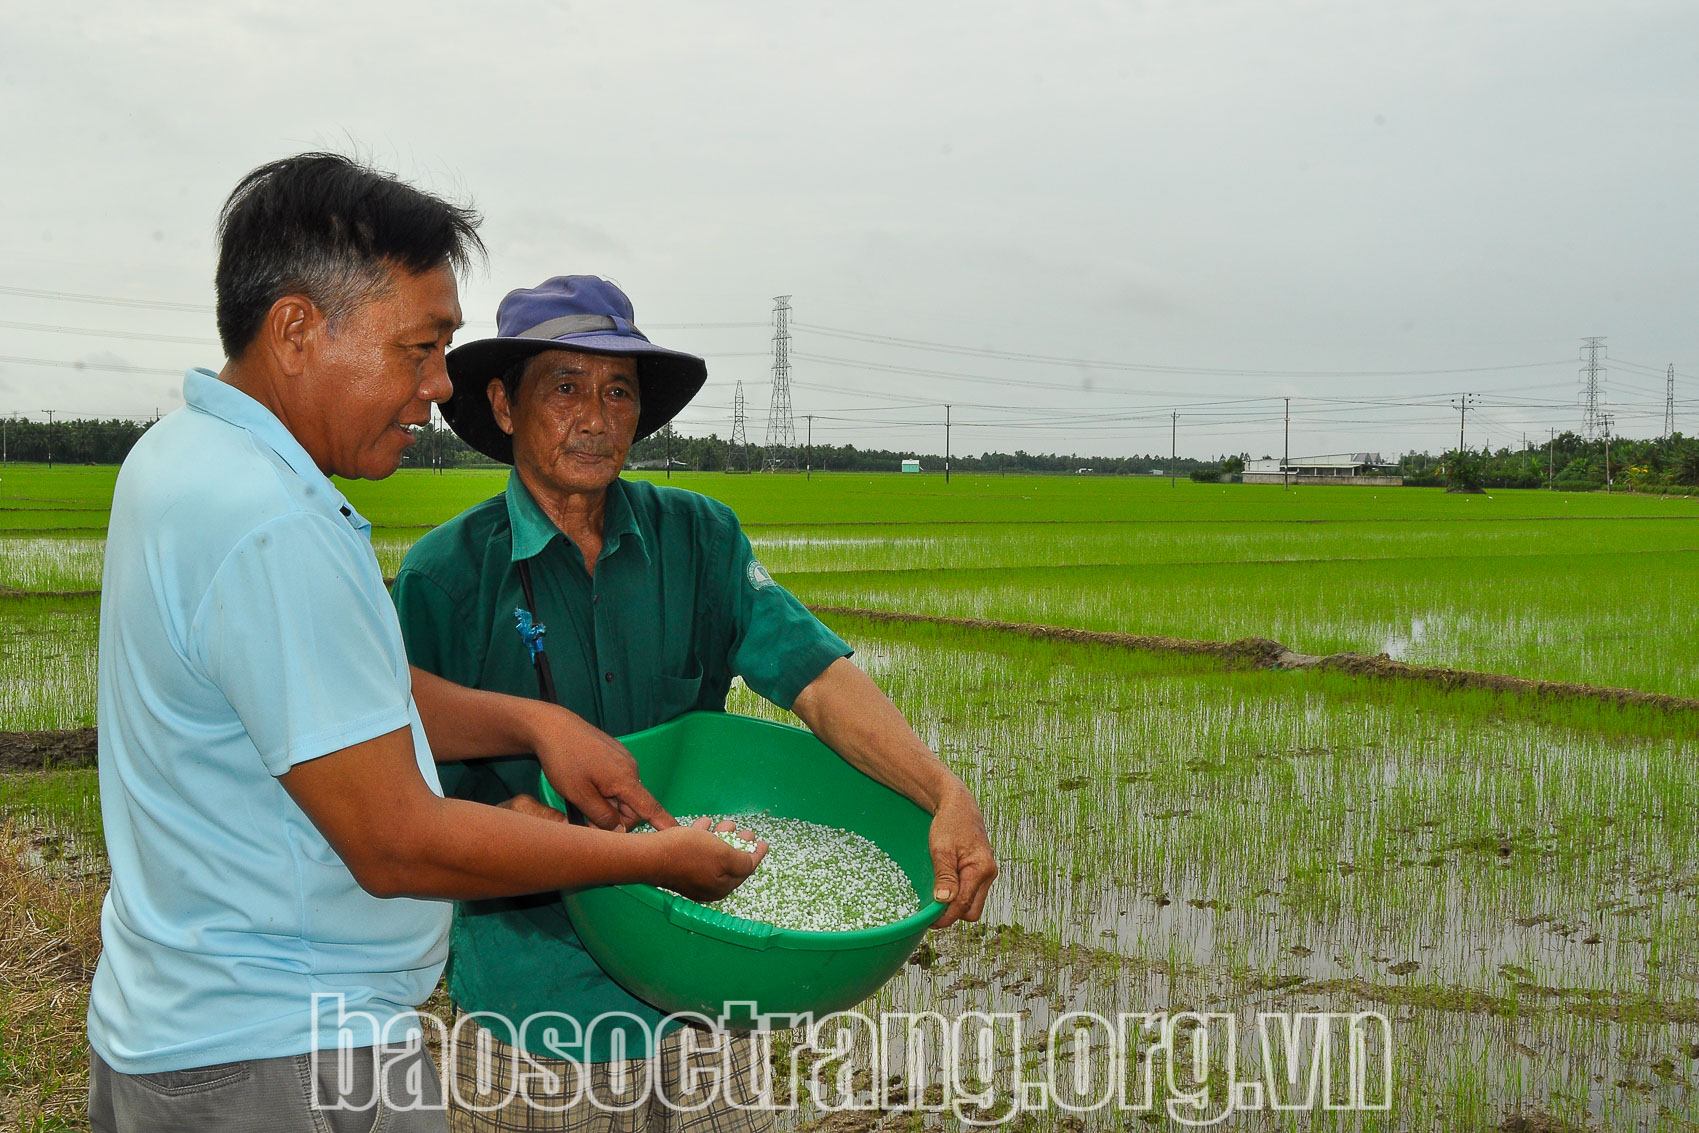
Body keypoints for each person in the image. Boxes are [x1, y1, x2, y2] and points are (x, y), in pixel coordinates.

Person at [88, 157, 767, 1133]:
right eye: (419, 348)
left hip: (200, 1024)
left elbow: (332, 691)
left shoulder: (183, 456)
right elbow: (396, 838)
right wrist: (647, 858)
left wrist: (531, 719)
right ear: (295, 330)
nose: (437, 384)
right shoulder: (271, 521)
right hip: (277, 1057)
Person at [391, 275, 999, 1131]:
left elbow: (815, 676)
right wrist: (528, 818)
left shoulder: (701, 538)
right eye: (563, 387)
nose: (594, 416)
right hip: (540, 1011)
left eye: (617, 392)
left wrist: (943, 792)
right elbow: (403, 781)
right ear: (501, 403)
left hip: (713, 994)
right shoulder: (447, 575)